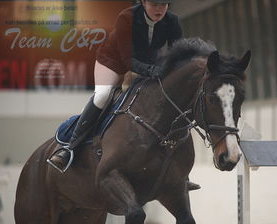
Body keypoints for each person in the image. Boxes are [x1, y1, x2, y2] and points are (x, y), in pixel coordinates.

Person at [47, 0, 181, 173]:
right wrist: (152, 70)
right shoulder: (126, 18)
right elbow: (127, 60)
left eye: (164, 4)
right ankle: (69, 148)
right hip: (113, 63)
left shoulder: (173, 21)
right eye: (155, 4)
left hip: (147, 66)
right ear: (143, 2)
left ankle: (176, 168)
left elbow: (177, 54)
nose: (160, 9)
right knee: (102, 95)